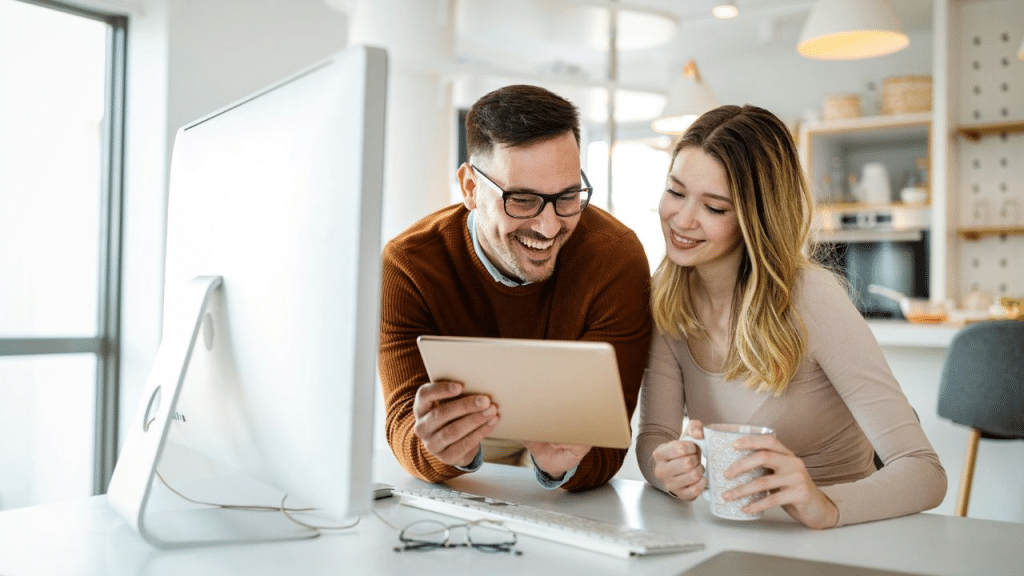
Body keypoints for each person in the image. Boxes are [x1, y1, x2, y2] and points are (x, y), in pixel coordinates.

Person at [636, 104, 947, 528]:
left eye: (715, 208)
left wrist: (823, 504)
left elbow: (925, 472)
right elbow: (655, 436)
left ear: (755, 219)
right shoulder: (667, 299)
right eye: (675, 192)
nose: (683, 219)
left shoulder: (812, 299)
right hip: (740, 534)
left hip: (845, 541)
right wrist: (670, 471)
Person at [379, 84, 652, 492]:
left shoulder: (615, 260)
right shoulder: (409, 266)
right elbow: (404, 425)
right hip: (464, 477)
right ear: (470, 188)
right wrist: (438, 448)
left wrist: (563, 465)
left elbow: (609, 445)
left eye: (567, 196)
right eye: (522, 200)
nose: (549, 226)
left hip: (558, 461)